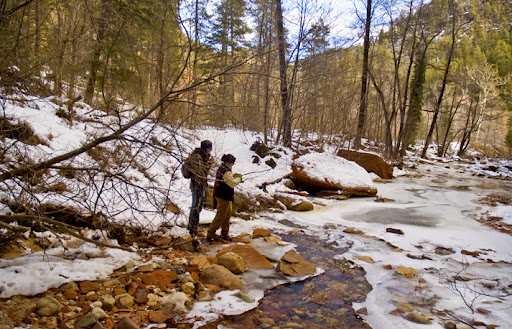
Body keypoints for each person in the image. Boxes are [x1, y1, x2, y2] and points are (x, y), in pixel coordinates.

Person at [207, 154, 242, 242]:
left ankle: (224, 233)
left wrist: (233, 176)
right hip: (223, 196)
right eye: (232, 163)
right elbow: (231, 184)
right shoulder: (226, 171)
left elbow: (226, 179)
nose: (233, 165)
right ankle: (211, 233)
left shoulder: (222, 168)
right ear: (229, 162)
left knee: (227, 215)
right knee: (221, 215)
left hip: (224, 195)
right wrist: (239, 179)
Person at [187, 140, 213, 238]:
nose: (210, 150)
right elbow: (200, 171)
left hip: (200, 184)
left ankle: (192, 228)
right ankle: (193, 230)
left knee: (198, 206)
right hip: (197, 185)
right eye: (209, 148)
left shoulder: (201, 156)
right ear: (205, 148)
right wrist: (208, 164)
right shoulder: (197, 157)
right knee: (196, 206)